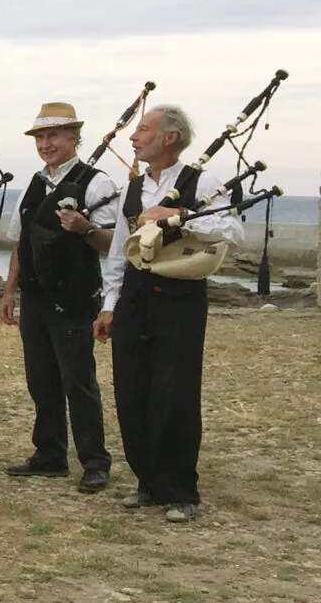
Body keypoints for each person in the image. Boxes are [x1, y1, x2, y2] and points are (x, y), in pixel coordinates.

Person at [96, 106, 243, 522]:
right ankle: (148, 482)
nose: (133, 137)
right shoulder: (133, 188)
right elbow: (118, 252)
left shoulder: (202, 182)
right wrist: (109, 306)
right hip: (135, 299)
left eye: (142, 129)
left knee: (174, 392)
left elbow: (234, 231)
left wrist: (183, 215)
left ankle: (180, 490)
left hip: (180, 299)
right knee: (132, 391)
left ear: (169, 138)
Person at [0, 103, 118, 494]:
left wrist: (84, 229)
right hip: (36, 296)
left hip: (75, 295)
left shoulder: (96, 182)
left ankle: (95, 461)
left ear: (73, 139)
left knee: (78, 380)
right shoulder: (32, 185)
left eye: (54, 136)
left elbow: (116, 242)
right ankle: (49, 453)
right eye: (41, 137)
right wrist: (9, 290)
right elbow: (22, 241)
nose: (46, 144)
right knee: (41, 379)